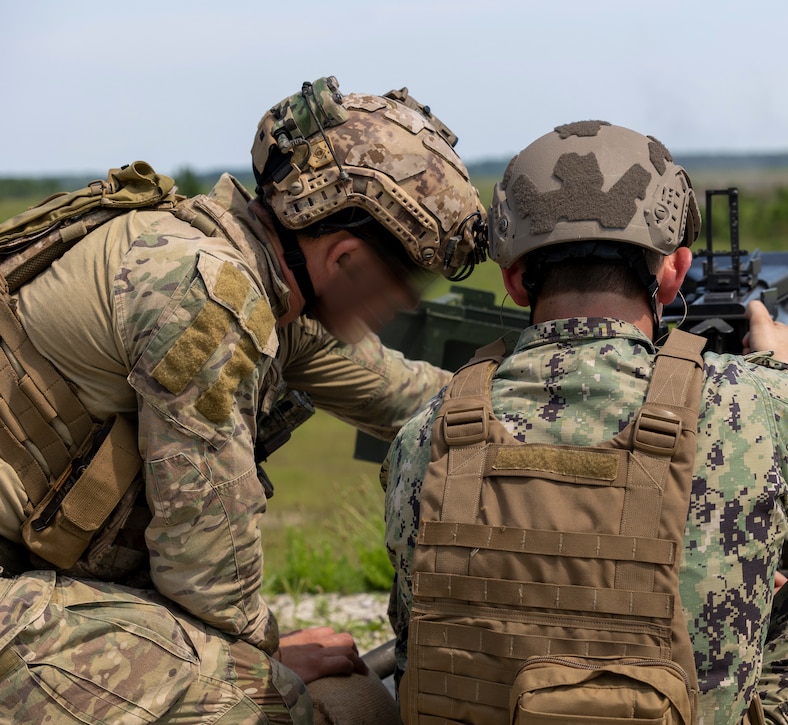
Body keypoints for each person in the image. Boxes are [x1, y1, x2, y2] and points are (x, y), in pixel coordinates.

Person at [383, 121, 788, 724]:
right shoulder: (750, 403)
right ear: (672, 273)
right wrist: (782, 375)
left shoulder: (428, 430)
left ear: (515, 280)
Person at [0, 76, 485, 723]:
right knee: (271, 702)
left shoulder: (248, 275)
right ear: (344, 259)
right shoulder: (206, 296)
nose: (397, 306)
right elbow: (206, 576)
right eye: (399, 284)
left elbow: (415, 395)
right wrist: (271, 651)